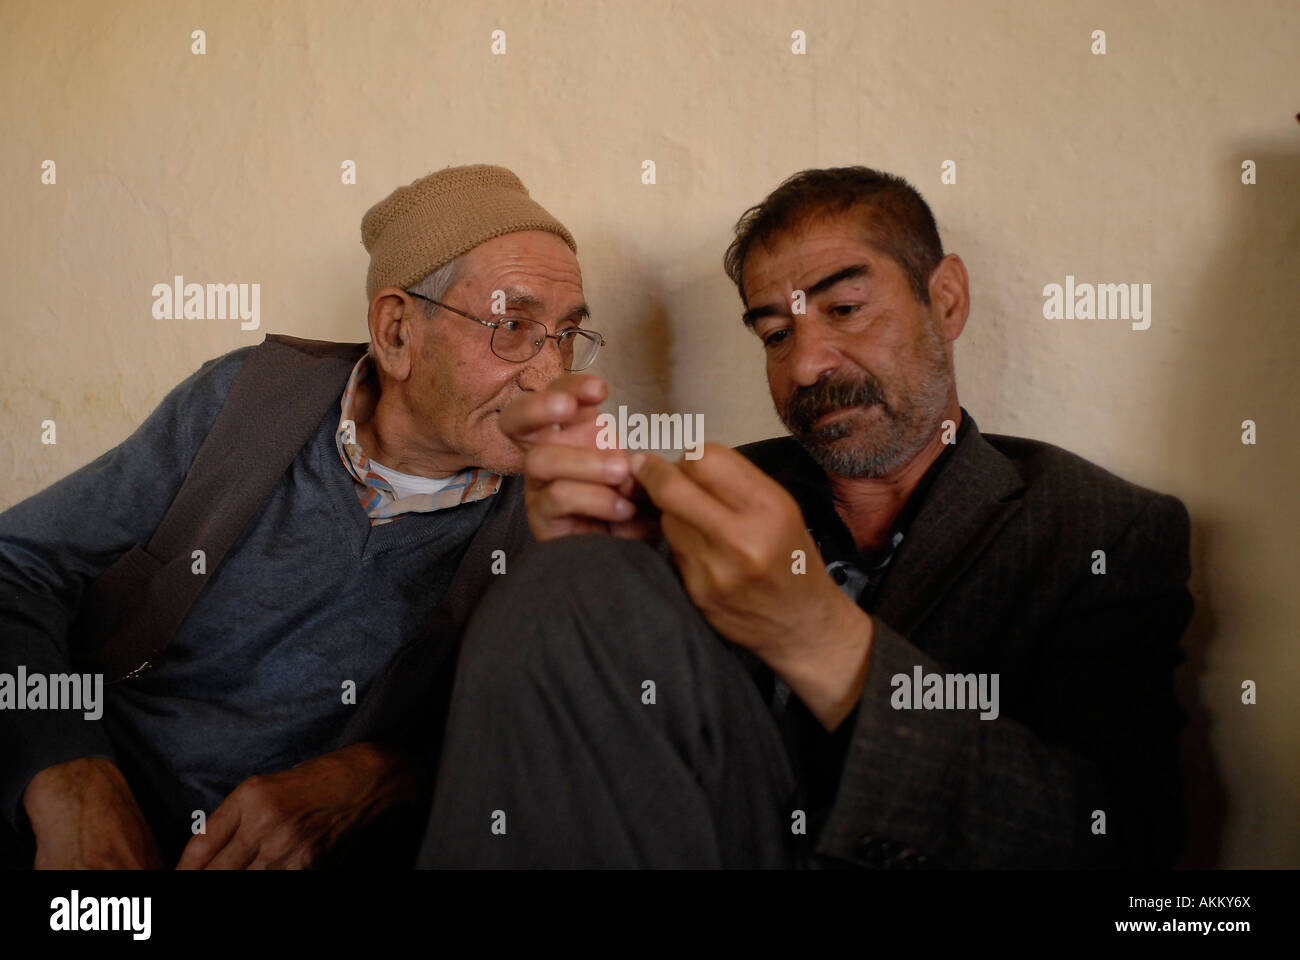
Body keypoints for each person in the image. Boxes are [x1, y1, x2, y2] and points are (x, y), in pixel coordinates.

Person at [419, 166, 1193, 868]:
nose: (807, 364)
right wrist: (593, 583)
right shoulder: (704, 500)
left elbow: (1122, 843)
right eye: (776, 334)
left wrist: (820, 638)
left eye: (847, 308)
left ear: (946, 299)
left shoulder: (1096, 529)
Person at [0, 164, 602, 869]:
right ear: (398, 332)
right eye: (511, 326)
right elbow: (19, 567)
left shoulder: (561, 508)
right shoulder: (247, 403)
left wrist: (386, 775)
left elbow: (567, 750)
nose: (549, 375)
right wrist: (67, 774)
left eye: (564, 335)